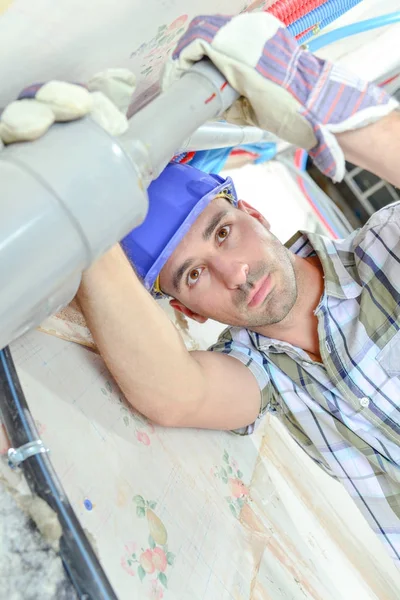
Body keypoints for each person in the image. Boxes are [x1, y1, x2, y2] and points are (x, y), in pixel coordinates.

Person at [2, 13, 400, 567]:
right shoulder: (260, 378)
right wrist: (83, 207)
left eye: (223, 232)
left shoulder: (381, 258)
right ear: (187, 307)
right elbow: (175, 393)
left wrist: (325, 103)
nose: (234, 274)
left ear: (255, 213)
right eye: (193, 274)